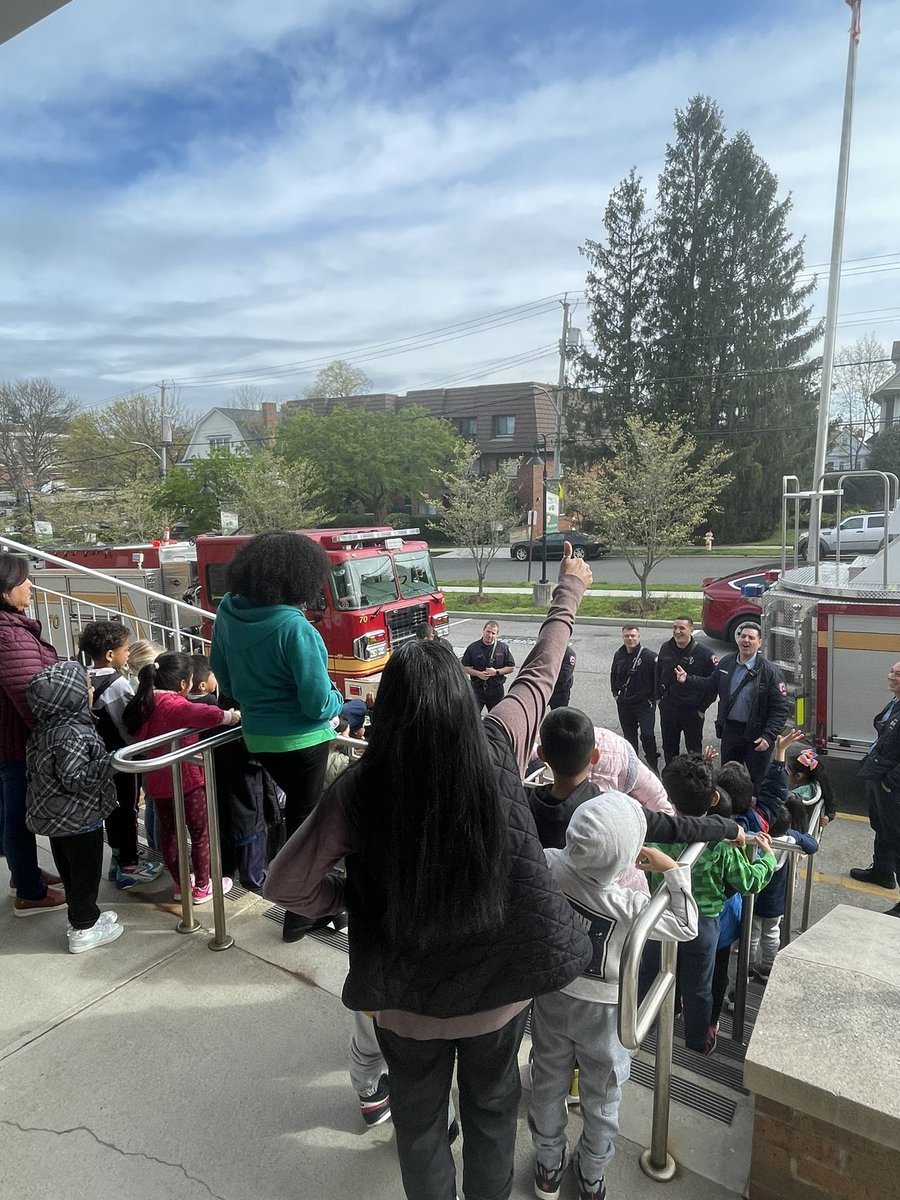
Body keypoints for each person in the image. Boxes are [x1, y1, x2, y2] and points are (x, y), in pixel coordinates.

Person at [264, 545, 595, 1200]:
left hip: (405, 1006)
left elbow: (284, 883)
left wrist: (348, 897)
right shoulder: (498, 745)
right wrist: (569, 592)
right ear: (458, 697)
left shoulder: (361, 785)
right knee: (495, 1116)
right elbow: (540, 673)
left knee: (418, 1128)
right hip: (499, 997)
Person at [529, 792, 699, 1200]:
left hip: (552, 996)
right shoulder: (629, 905)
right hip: (607, 1014)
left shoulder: (549, 863)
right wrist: (673, 869)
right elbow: (686, 925)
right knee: (603, 1096)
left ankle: (548, 1166)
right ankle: (591, 1173)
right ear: (625, 860)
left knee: (547, 1082)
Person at [209, 531, 344, 941]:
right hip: (304, 744)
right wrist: (341, 702)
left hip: (258, 738)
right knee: (307, 826)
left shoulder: (228, 612)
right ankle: (299, 914)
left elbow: (225, 680)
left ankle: (299, 905)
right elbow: (318, 704)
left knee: (297, 821)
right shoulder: (294, 627)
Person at [644, 755, 776, 1055]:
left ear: (667, 796)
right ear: (715, 798)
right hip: (702, 925)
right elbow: (749, 881)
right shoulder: (720, 845)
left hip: (658, 918)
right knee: (699, 987)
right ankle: (696, 1042)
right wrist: (766, 857)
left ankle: (648, 1023)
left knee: (655, 972)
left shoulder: (658, 832)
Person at [529, 706, 745, 852]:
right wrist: (726, 827)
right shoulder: (615, 809)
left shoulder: (523, 804)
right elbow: (674, 827)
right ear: (595, 756)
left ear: (541, 755)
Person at [122, 652, 240, 904]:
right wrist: (232, 717)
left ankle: (180, 884)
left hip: (157, 780)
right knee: (199, 833)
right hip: (187, 781)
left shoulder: (144, 701)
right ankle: (202, 886)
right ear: (182, 685)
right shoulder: (175, 705)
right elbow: (210, 715)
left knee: (170, 834)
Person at [24, 661, 124, 953]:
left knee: (70, 871)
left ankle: (85, 915)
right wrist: (111, 761)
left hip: (57, 818)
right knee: (85, 873)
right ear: (72, 698)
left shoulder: (47, 728)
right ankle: (83, 928)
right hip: (78, 818)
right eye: (87, 687)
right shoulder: (73, 732)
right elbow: (76, 777)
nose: (92, 690)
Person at [0, 552, 66, 915]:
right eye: (24, 580)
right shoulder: (9, 635)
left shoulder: (11, 626)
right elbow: (32, 697)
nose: (30, 585)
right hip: (15, 745)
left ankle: (22, 872)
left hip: (7, 739)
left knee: (10, 815)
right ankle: (29, 891)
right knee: (18, 817)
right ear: (6, 590)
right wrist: (57, 741)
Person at [79, 620, 164, 890]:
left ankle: (118, 859)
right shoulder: (117, 684)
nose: (128, 654)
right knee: (126, 808)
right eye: (125, 649)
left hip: (98, 757)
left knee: (113, 808)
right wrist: (141, 748)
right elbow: (126, 725)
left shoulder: (88, 677)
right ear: (110, 655)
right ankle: (129, 864)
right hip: (120, 759)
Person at [188, 654, 278, 894]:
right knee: (251, 860)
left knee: (225, 838)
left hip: (221, 796)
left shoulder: (213, 709)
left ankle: (226, 877)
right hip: (247, 796)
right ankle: (254, 884)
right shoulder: (243, 712)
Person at [683, 621, 789, 787]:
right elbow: (711, 683)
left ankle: (755, 811)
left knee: (757, 781)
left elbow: (780, 710)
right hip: (731, 731)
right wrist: (688, 679)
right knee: (728, 778)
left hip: (757, 736)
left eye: (751, 638)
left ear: (759, 642)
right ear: (738, 639)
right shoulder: (726, 663)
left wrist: (768, 736)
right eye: (743, 636)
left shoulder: (771, 672)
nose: (746, 640)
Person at [749, 797, 818, 981]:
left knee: (751, 935)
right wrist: (796, 834)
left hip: (754, 900)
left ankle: (746, 970)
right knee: (772, 934)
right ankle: (767, 969)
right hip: (777, 901)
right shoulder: (790, 839)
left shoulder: (757, 839)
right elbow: (812, 845)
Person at [853, 662, 900, 907]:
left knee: (897, 839)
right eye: (892, 671)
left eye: (897, 674)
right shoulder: (895, 702)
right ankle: (882, 871)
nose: (890, 676)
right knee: (882, 828)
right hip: (878, 775)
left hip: (891, 785)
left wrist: (891, 782)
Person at [655, 616, 717, 764]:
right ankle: (671, 781)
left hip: (692, 711)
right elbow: (657, 673)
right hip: (669, 709)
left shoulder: (705, 654)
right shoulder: (665, 648)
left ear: (691, 630)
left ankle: (694, 784)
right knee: (669, 749)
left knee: (694, 752)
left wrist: (702, 708)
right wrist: (658, 699)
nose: (677, 631)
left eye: (682, 628)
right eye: (675, 628)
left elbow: (714, 685)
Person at [610, 625, 658, 772]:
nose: (630, 639)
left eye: (633, 636)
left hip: (644, 705)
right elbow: (613, 674)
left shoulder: (649, 656)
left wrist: (654, 699)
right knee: (629, 737)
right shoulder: (619, 655)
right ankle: (633, 765)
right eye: (627, 636)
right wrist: (615, 693)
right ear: (622, 637)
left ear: (638, 637)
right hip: (625, 704)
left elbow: (658, 678)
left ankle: (652, 763)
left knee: (647, 735)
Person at [461, 620, 516, 711]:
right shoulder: (473, 647)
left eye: (493, 633)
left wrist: (496, 672)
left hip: (496, 690)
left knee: (496, 718)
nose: (490, 635)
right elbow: (464, 667)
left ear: (496, 635)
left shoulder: (503, 648)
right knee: (473, 718)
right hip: (477, 689)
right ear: (483, 631)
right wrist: (478, 674)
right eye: (488, 631)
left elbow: (511, 667)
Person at [549, 641, 577, 710]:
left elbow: (565, 676)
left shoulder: (569, 654)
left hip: (560, 692)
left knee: (559, 716)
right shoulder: (547, 650)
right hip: (546, 688)